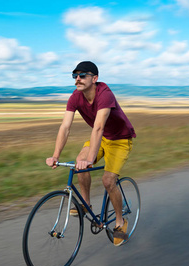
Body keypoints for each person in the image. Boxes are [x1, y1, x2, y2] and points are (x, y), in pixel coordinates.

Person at [46, 61, 136, 246]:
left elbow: (98, 127)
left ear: (94, 78)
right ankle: (86, 205)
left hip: (119, 140)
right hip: (102, 138)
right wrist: (55, 155)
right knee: (79, 162)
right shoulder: (75, 97)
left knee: (108, 181)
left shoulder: (105, 95)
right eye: (75, 76)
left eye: (82, 75)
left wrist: (89, 160)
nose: (77, 79)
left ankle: (120, 221)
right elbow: (65, 127)